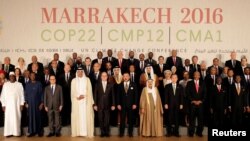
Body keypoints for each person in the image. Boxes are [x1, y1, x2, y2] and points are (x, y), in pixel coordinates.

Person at [71, 67, 94, 137]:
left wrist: (84, 96)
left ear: (83, 72)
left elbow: (90, 91)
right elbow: (72, 92)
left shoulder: (87, 80)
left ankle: (86, 132)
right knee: (78, 117)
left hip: (85, 101)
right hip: (77, 102)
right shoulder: (74, 80)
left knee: (85, 117)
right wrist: (78, 96)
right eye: (78, 71)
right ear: (77, 72)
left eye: (81, 71)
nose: (80, 73)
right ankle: (78, 132)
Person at [0, 72, 25, 137]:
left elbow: (22, 95)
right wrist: (3, 105)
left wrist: (22, 104)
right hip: (8, 106)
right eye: (10, 76)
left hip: (16, 106)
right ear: (9, 77)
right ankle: (8, 133)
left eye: (13, 76)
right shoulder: (5, 85)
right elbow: (2, 96)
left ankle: (16, 132)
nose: (12, 77)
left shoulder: (19, 84)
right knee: (8, 119)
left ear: (15, 77)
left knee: (16, 118)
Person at [93, 72, 115, 137]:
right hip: (99, 105)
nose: (104, 77)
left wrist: (113, 104)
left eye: (105, 76)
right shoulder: (97, 84)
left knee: (107, 119)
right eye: (103, 76)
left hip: (108, 104)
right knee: (100, 119)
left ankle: (107, 132)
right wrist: (94, 104)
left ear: (107, 77)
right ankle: (102, 132)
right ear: (101, 77)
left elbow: (113, 95)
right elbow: (95, 95)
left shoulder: (111, 84)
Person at [117, 73, 138, 137]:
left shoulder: (133, 84)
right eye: (124, 76)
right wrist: (118, 104)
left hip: (131, 105)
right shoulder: (120, 85)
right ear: (123, 77)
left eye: (127, 76)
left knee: (130, 119)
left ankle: (130, 133)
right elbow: (118, 96)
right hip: (122, 105)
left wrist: (135, 103)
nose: (125, 77)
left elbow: (136, 95)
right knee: (122, 119)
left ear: (129, 77)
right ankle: (121, 133)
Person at [186, 71, 206, 137]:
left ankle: (199, 132)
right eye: (195, 75)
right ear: (193, 76)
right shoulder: (189, 83)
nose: (197, 76)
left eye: (198, 75)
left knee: (201, 119)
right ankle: (191, 132)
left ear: (200, 76)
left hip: (200, 104)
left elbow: (205, 94)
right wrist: (193, 101)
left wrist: (201, 101)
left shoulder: (203, 83)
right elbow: (187, 93)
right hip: (192, 104)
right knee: (192, 119)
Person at [25, 72, 44, 137]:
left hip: (37, 104)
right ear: (29, 76)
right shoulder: (27, 84)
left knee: (38, 117)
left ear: (35, 76)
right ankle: (31, 132)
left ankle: (39, 132)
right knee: (30, 118)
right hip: (30, 104)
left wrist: (41, 103)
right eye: (31, 75)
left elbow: (41, 94)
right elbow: (26, 94)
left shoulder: (39, 84)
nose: (32, 77)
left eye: (33, 75)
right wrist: (26, 102)